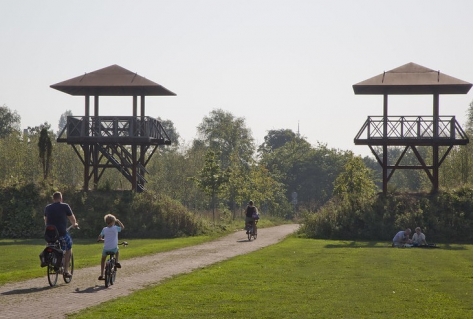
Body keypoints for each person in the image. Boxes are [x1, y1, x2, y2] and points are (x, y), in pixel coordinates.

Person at [44, 191, 78, 278]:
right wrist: (74, 224)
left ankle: (54, 261)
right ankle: (66, 271)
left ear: (53, 199)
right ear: (61, 198)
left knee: (52, 245)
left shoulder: (47, 207)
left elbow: (46, 220)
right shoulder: (65, 206)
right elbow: (72, 218)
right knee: (69, 247)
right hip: (61, 232)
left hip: (50, 234)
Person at [97, 213, 125, 281]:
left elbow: (99, 237)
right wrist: (118, 221)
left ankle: (101, 274)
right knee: (117, 251)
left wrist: (101, 239)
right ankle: (117, 262)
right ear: (113, 221)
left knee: (103, 260)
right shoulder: (115, 228)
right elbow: (122, 227)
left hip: (106, 249)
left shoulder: (104, 229)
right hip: (114, 248)